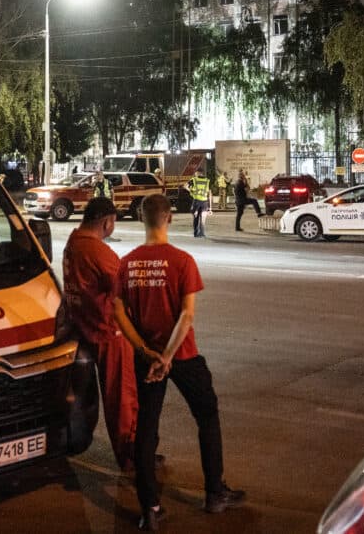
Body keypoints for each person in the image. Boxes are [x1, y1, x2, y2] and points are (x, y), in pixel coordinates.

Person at [114, 194, 245, 530]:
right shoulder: (182, 261)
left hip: (148, 360)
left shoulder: (127, 263)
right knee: (207, 417)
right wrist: (169, 357)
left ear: (142, 219)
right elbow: (186, 316)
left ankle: (150, 509)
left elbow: (118, 312)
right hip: (182, 355)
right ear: (169, 218)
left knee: (146, 431)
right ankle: (214, 493)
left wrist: (146, 352)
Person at [62, 197, 138, 471]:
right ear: (106, 222)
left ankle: (133, 450)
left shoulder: (73, 242)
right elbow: (123, 285)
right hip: (108, 331)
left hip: (84, 327)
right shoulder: (96, 250)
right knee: (122, 399)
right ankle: (131, 457)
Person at [93, 171, 120, 241]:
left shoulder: (108, 182)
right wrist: (95, 181)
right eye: (96, 175)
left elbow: (112, 192)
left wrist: (113, 201)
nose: (97, 177)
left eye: (98, 175)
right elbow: (92, 186)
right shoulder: (95, 182)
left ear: (102, 175)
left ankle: (106, 235)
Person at [187, 167, 212, 238]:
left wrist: (191, 190)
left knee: (196, 217)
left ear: (198, 172)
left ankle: (196, 233)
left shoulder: (194, 180)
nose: (195, 174)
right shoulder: (207, 181)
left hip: (196, 201)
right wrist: (210, 208)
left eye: (195, 172)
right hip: (204, 202)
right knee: (203, 218)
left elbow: (185, 186)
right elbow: (210, 194)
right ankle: (202, 233)